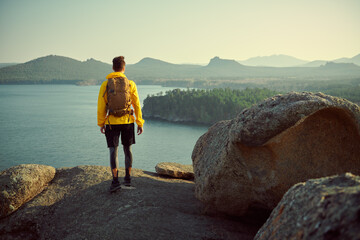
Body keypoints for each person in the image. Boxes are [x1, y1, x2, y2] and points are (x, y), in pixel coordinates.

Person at [97, 56, 144, 192]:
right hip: (128, 121)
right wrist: (139, 122)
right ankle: (128, 179)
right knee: (127, 149)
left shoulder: (105, 84)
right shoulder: (130, 84)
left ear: (113, 68)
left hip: (111, 122)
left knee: (113, 151)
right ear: (124, 68)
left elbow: (101, 106)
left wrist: (101, 123)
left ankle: (115, 181)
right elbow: (136, 105)